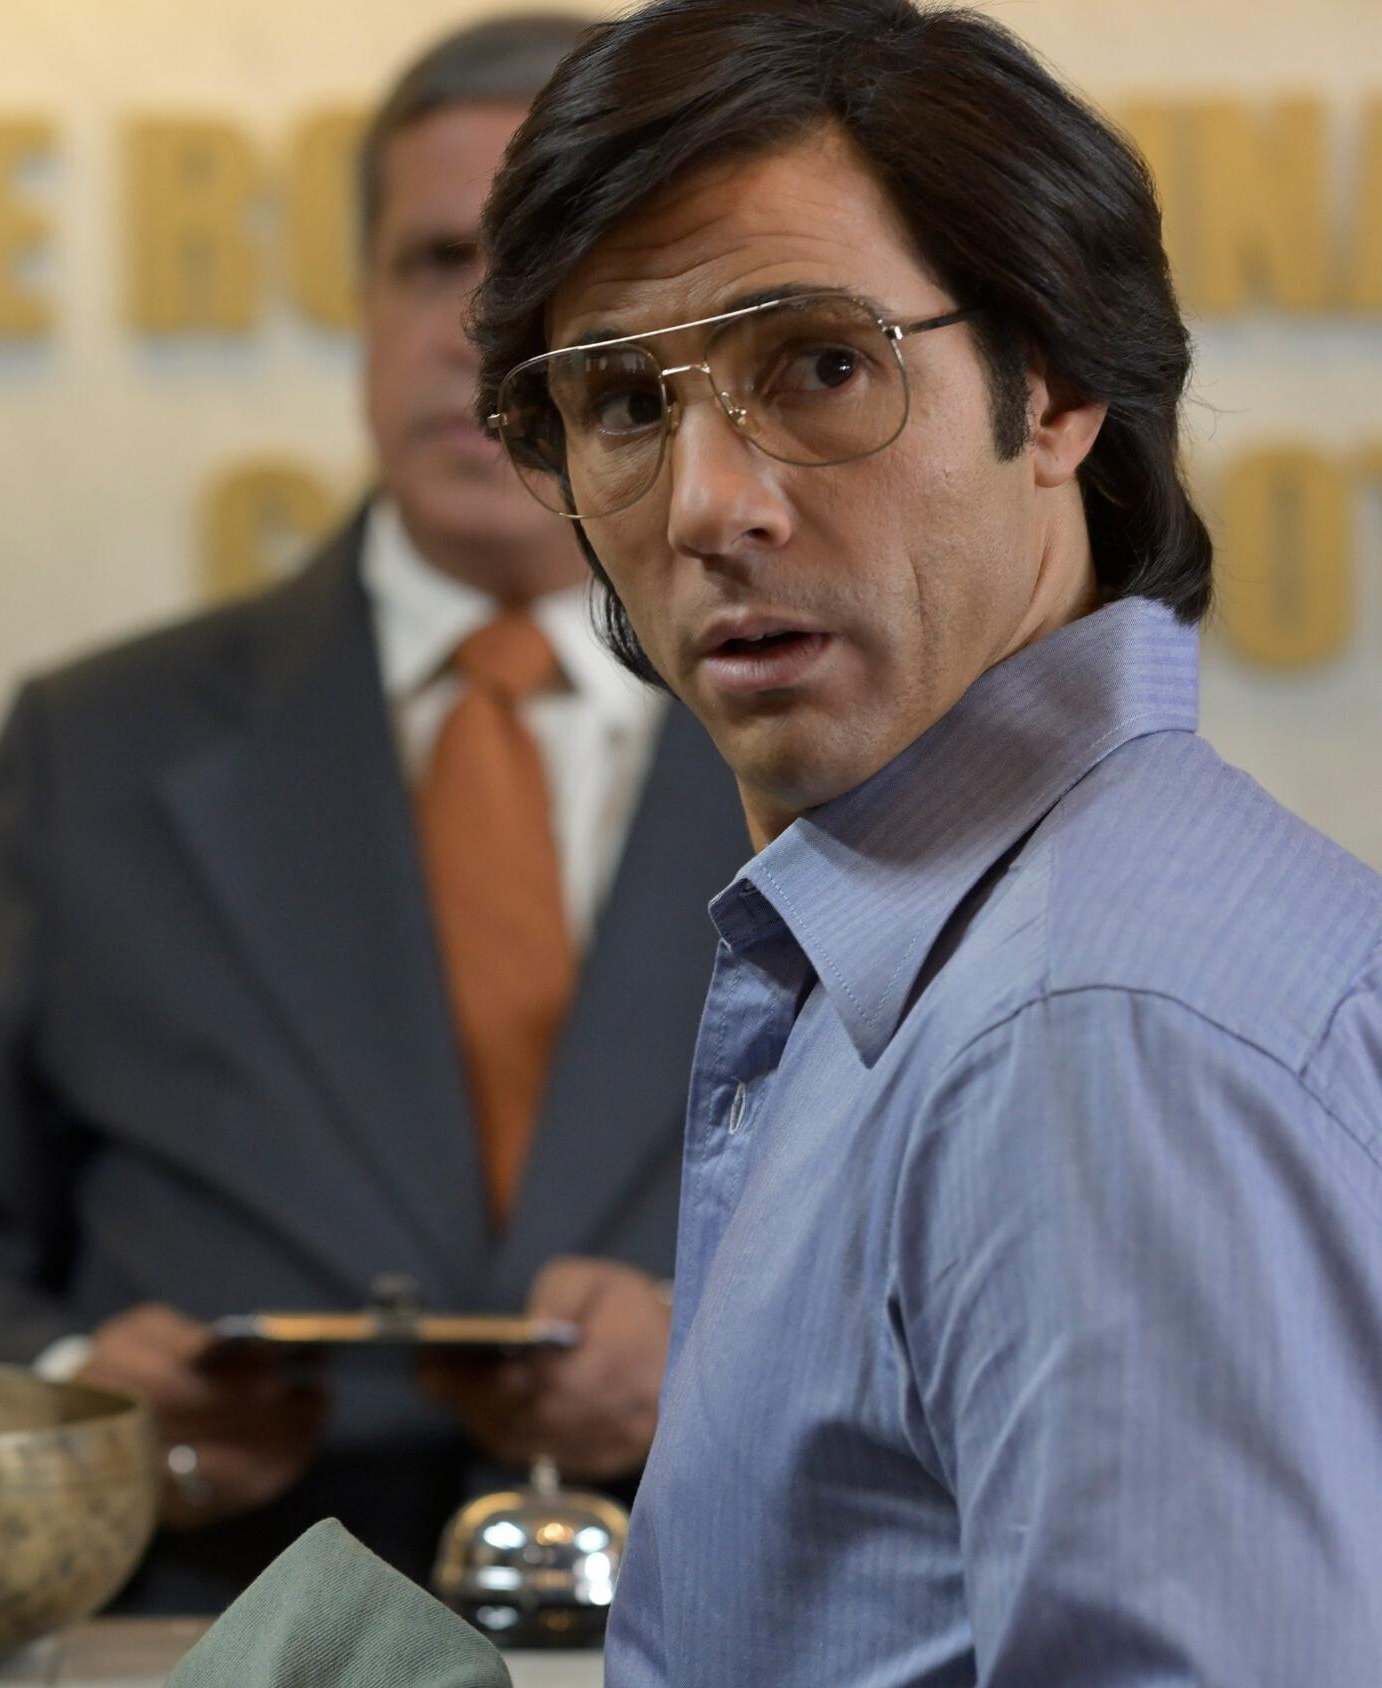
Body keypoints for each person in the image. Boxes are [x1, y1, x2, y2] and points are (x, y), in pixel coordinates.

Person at [468, 0, 1382, 1679]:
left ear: (1059, 391)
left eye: (818, 365)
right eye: (618, 403)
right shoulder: (994, 939)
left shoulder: (1088, 1026)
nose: (706, 505)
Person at [0, 13, 754, 1611]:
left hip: (718, 1618)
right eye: (436, 258)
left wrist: (731, 1366)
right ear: (363, 294)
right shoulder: (97, 747)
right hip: (215, 1633)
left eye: (546, 269)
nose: (478, 332)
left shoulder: (826, 734)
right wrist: (82, 1399)